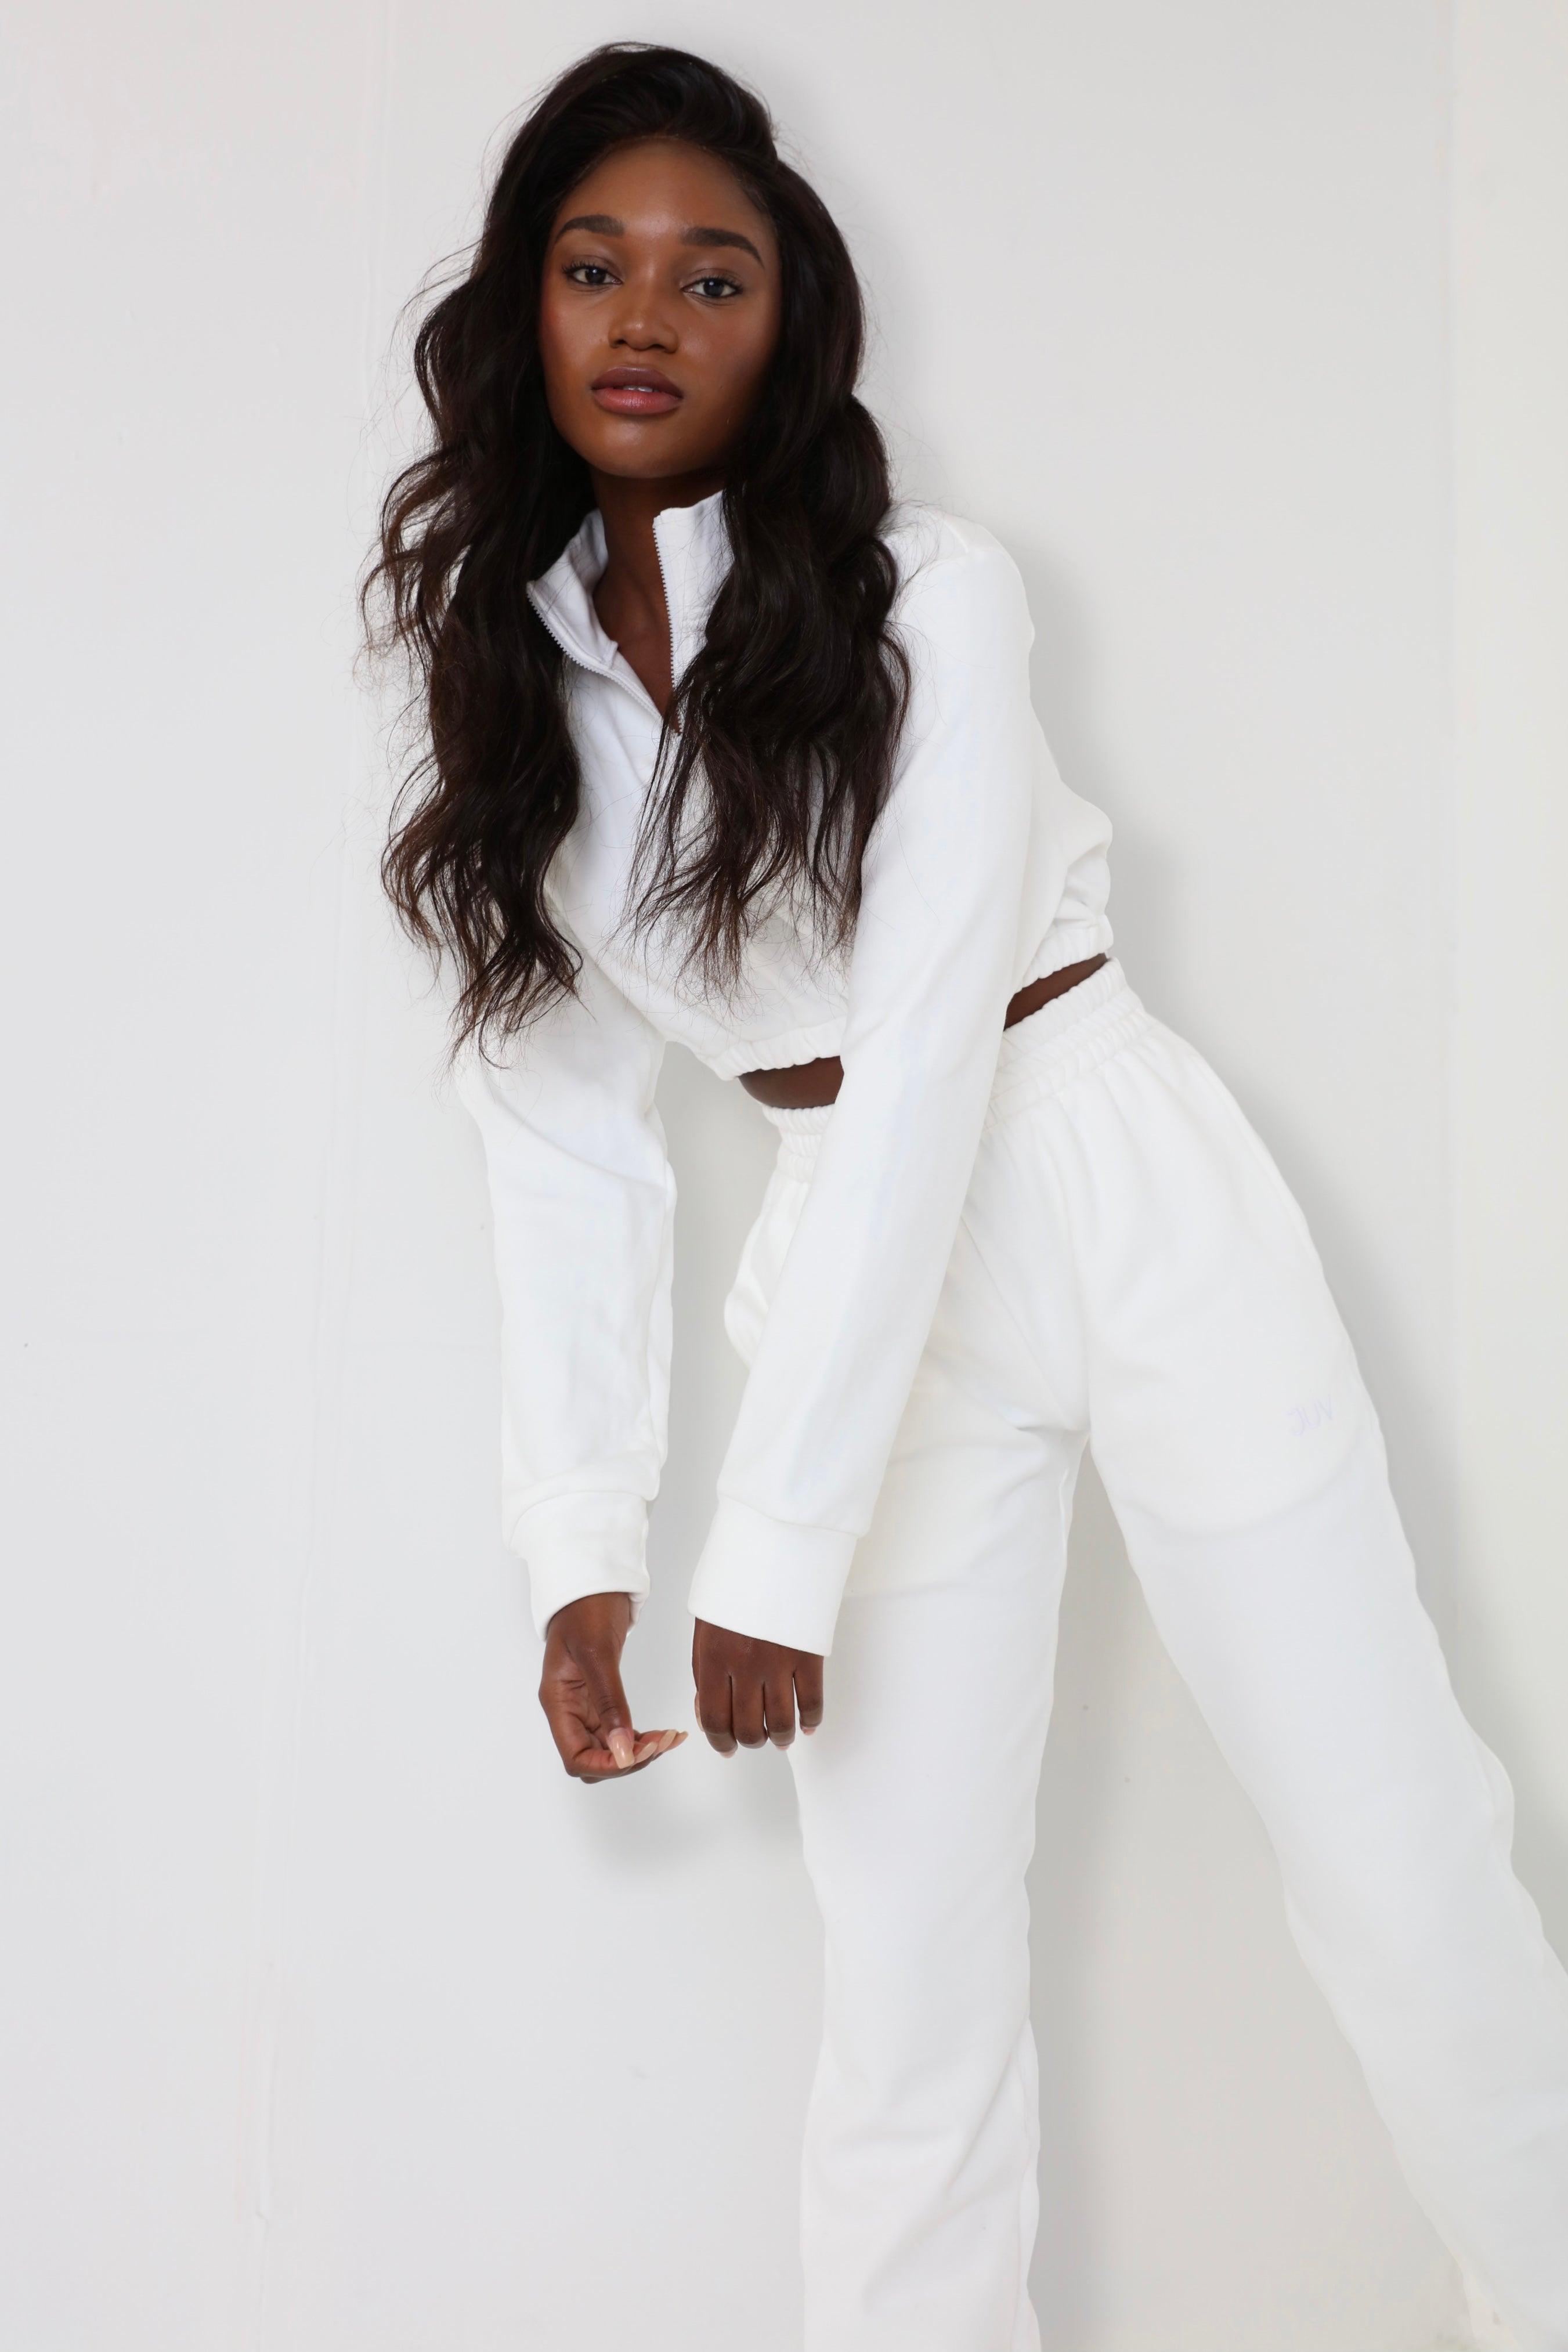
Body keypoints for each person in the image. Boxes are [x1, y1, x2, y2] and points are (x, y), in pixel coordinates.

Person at [360, 39, 1568, 2352]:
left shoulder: (935, 594)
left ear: (787, 321)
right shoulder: (506, 691)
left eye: (711, 277)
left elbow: (929, 1051)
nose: (647, 316)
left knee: (1396, 1855)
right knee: (903, 1985)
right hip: (857, 1260)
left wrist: (772, 1544)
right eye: (595, 267)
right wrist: (585, 1546)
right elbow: (563, 1139)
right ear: (524, 304)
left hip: (1112, 1181)